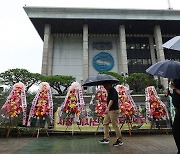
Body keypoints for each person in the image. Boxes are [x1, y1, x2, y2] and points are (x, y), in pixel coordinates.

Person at [99, 82, 123, 146]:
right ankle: (106, 138)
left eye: (105, 85)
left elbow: (111, 100)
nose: (104, 87)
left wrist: (107, 108)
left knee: (115, 125)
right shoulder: (109, 91)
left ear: (109, 85)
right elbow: (109, 100)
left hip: (113, 110)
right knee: (105, 123)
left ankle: (119, 140)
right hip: (109, 110)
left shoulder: (113, 91)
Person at [166, 79, 180, 154]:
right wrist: (170, 94)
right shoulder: (175, 80)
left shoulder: (177, 82)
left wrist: (174, 88)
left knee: (176, 129)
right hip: (177, 109)